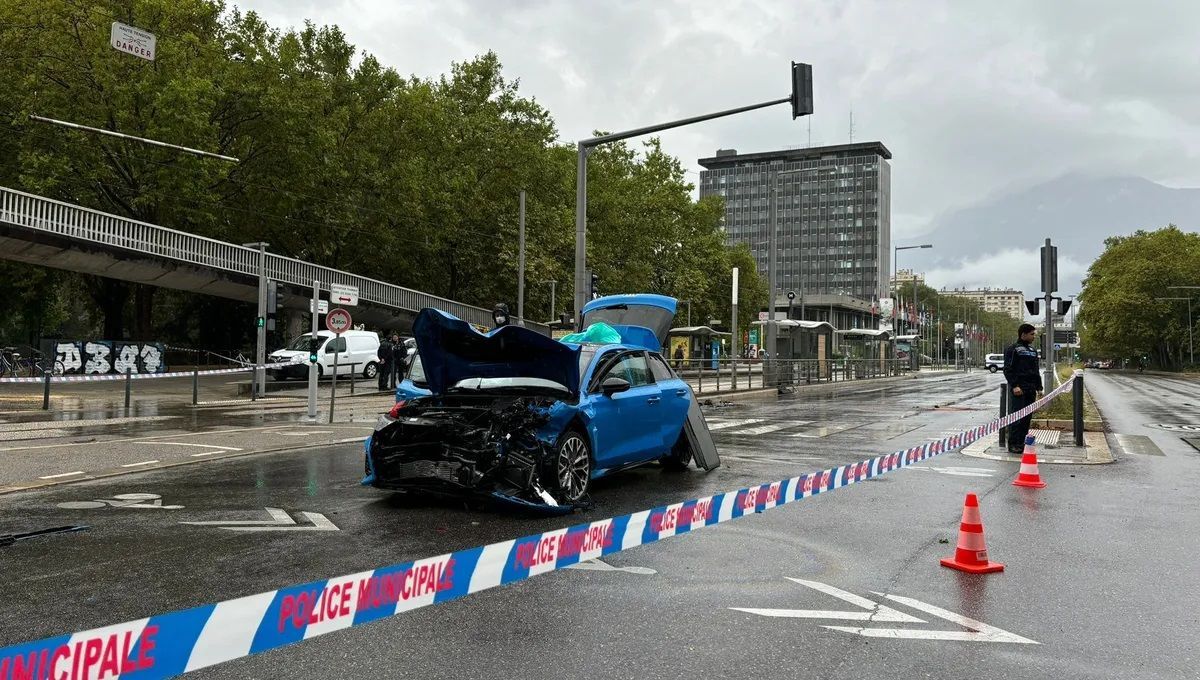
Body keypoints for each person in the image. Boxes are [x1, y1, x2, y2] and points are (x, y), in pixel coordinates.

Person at [1003, 323, 1043, 454]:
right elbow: (1008, 369)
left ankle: (1022, 442)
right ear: (1023, 334)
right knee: (1017, 417)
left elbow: (1036, 370)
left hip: (1031, 388)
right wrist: (1014, 385)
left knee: (1027, 418)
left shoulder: (1032, 351)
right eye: (1032, 334)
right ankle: (1014, 443)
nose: (1034, 337)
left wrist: (1039, 387)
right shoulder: (1013, 349)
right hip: (1019, 388)